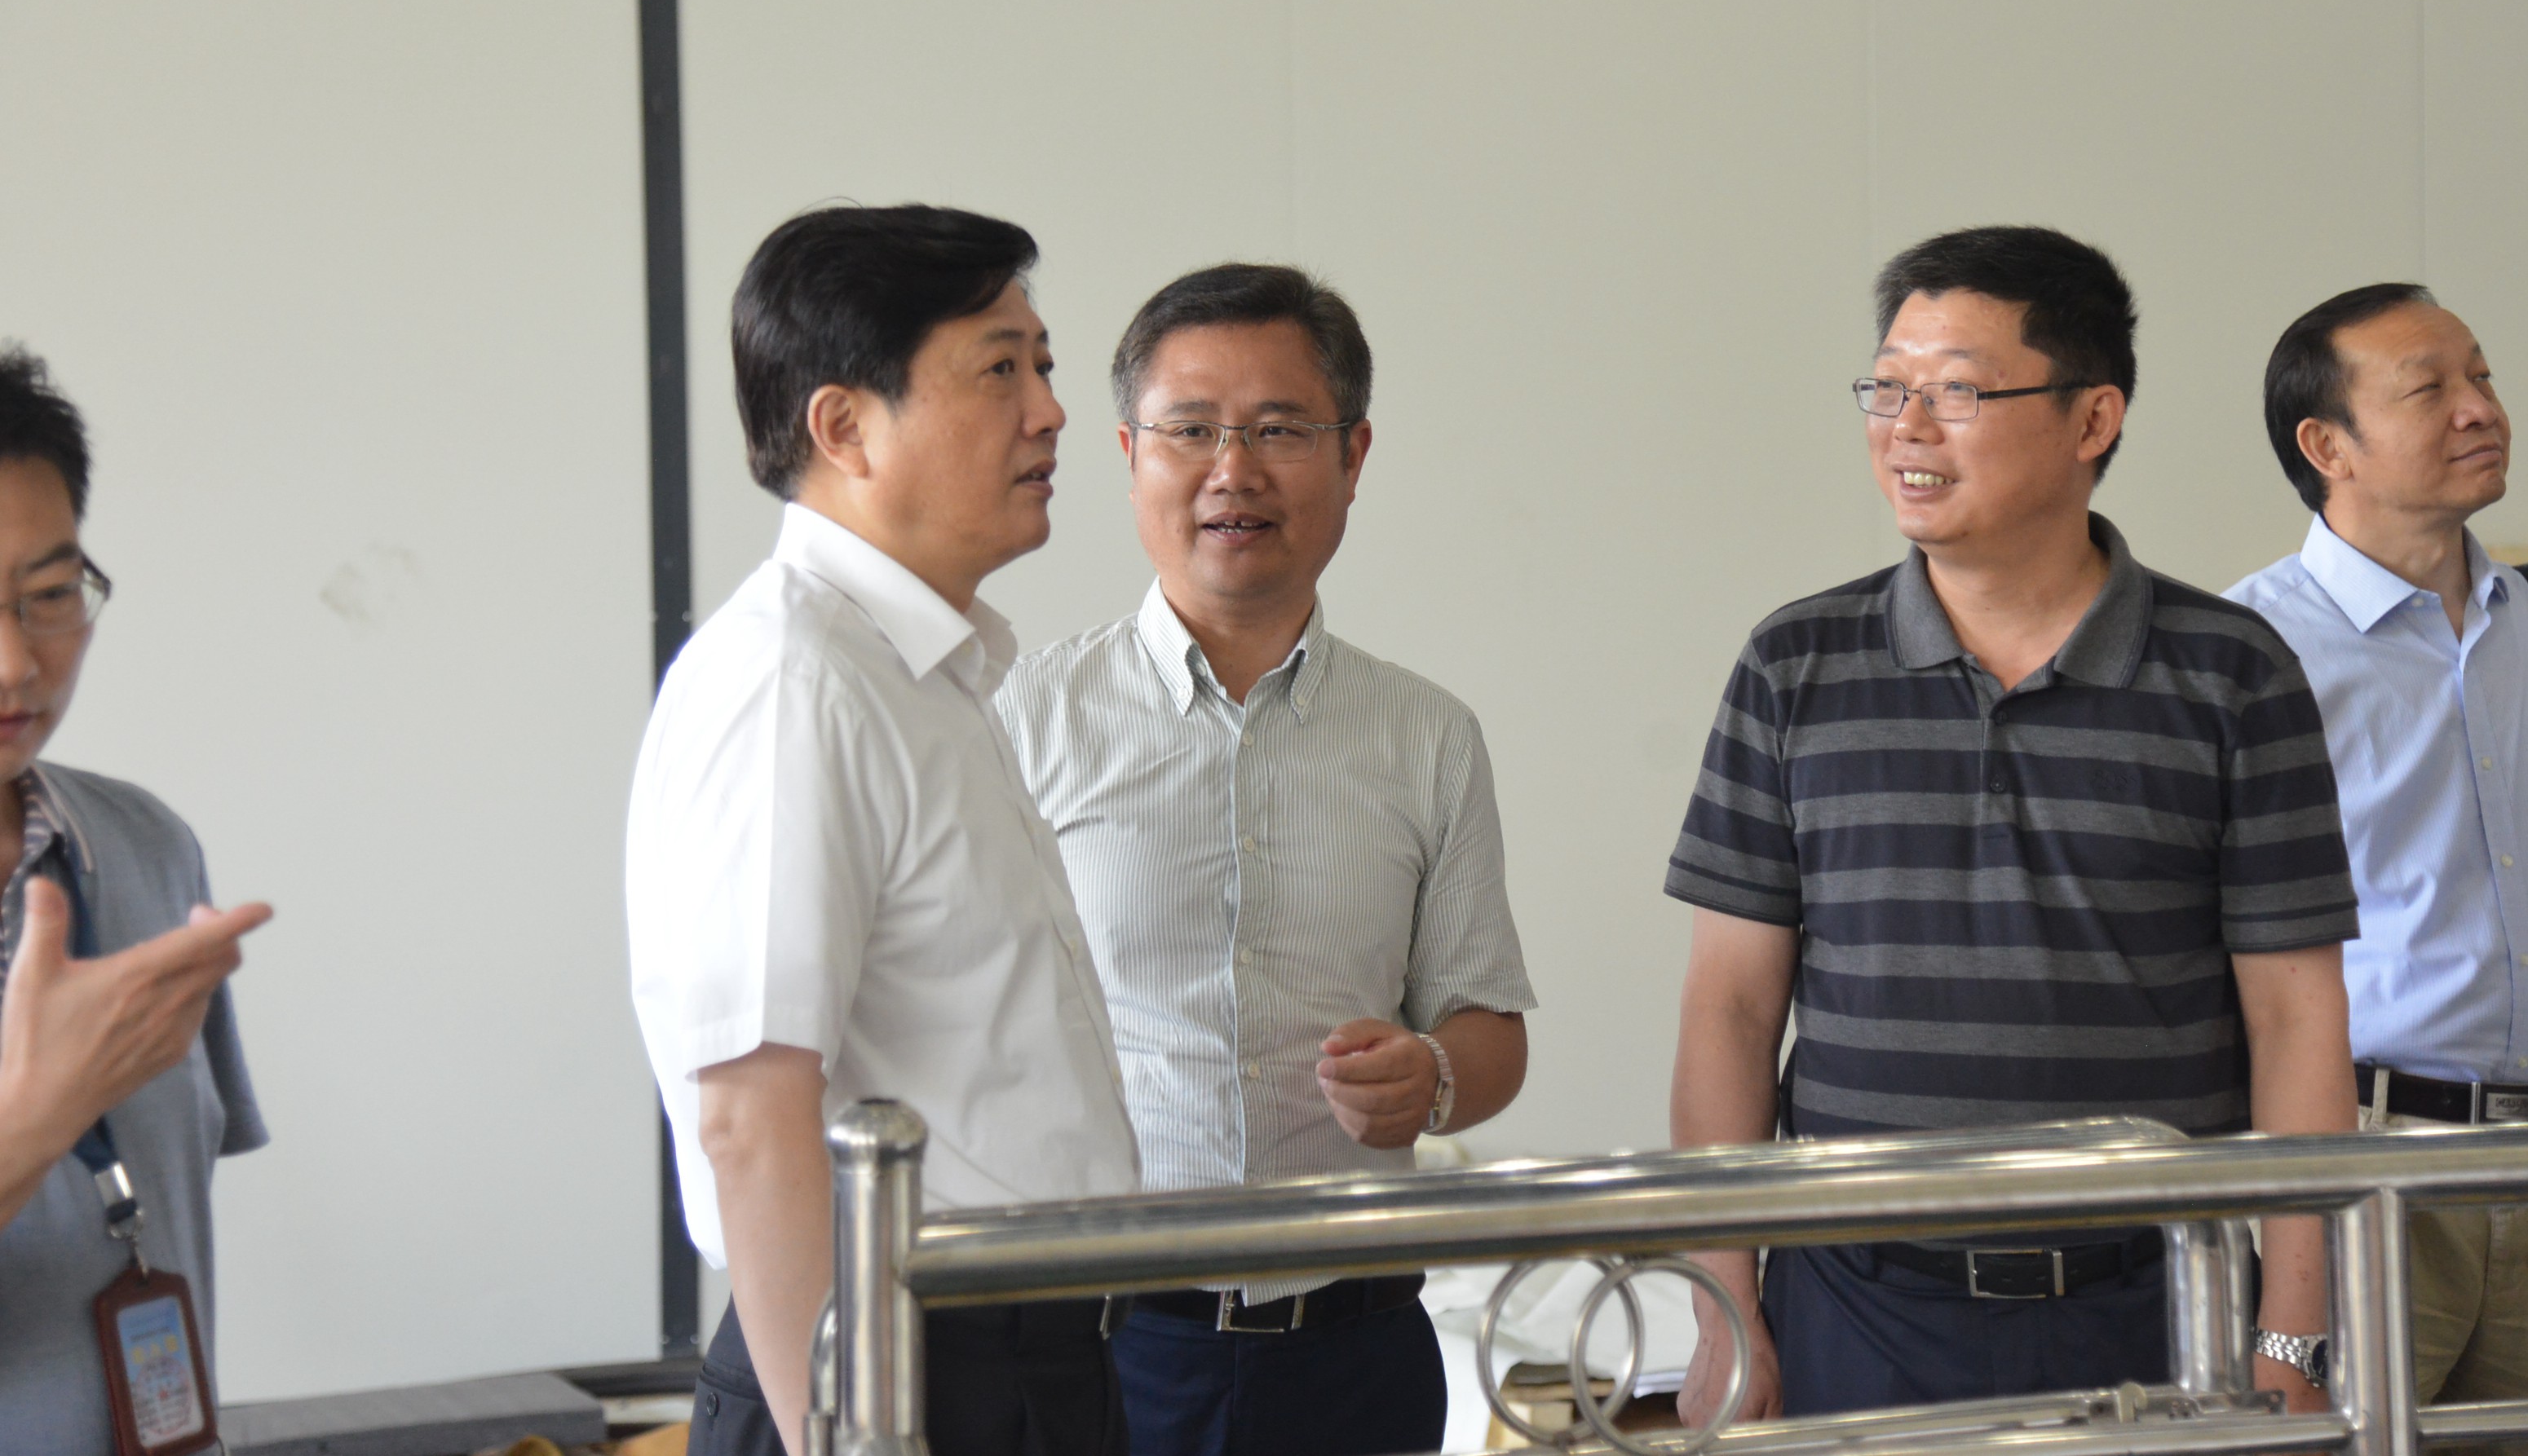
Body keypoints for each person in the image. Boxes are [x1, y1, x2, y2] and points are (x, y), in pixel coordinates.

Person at [1664, 227, 2359, 1425]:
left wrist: (2291, 1336)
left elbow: (2297, 1020)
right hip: (1857, 1306)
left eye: (1957, 392)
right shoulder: (1795, 665)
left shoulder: (2234, 673)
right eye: (1888, 388)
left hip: (2159, 1305)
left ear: (2093, 419)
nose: (1906, 428)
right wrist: (1724, 1310)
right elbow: (1728, 1008)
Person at [625, 206, 1141, 1456]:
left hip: (1019, 1354)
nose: (1051, 411)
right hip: (890, 1366)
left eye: (1044, 364)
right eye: (999, 368)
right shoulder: (792, 679)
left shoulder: (920, 671)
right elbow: (751, 1113)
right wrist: (848, 1438)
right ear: (845, 427)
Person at [996, 263, 1535, 1456]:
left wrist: (1434, 1074)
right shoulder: (1022, 718)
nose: (1232, 470)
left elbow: (1491, 1033)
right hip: (1102, 1347)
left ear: (1354, 456)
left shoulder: (1428, 736)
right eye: (1191, 429)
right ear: (1130, 455)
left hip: (1359, 1352)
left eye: (1280, 429)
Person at [2226, 283, 2528, 1417]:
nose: (2480, 408)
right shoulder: (2247, 653)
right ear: (2327, 447)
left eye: (2482, 375)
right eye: (2429, 389)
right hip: (2366, 1165)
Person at [0, 346, 273, 1451]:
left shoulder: (146, 849)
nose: (17, 663)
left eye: (49, 596)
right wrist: (30, 1126)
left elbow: (165, 1205)